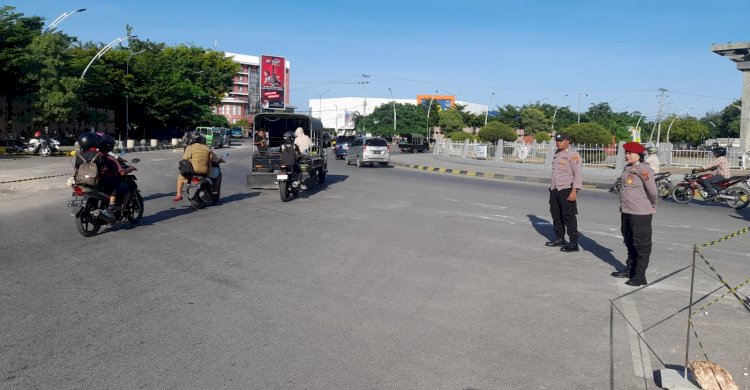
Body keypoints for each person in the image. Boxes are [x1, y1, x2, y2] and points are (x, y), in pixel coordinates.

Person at [612, 142, 657, 286]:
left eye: (630, 153)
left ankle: (639, 275)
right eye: (626, 153)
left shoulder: (644, 170)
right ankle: (630, 269)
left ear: (639, 155)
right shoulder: (627, 168)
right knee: (629, 240)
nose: (627, 155)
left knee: (641, 244)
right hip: (626, 211)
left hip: (640, 213)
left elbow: (653, 192)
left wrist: (653, 205)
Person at [546, 133, 583, 252]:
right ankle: (560, 238)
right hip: (555, 189)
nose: (558, 142)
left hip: (566, 189)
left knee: (568, 217)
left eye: (561, 141)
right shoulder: (557, 153)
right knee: (556, 215)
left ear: (567, 141)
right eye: (557, 140)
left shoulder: (573, 155)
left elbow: (578, 174)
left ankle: (573, 243)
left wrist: (574, 191)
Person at [174, 132, 224, 202]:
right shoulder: (206, 148)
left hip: (192, 172)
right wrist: (221, 160)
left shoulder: (189, 147)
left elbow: (184, 159)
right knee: (219, 174)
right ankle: (215, 190)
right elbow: (215, 159)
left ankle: (178, 194)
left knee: (180, 177)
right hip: (205, 172)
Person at [98, 135, 136, 211]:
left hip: (96, 181)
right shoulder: (110, 158)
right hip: (106, 181)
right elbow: (122, 173)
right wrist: (131, 168)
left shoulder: (95, 155)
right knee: (126, 189)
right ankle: (123, 207)